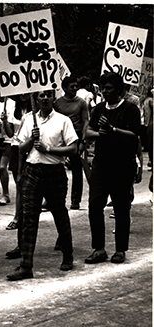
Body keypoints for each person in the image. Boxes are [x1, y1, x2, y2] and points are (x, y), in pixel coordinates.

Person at [7, 89, 78, 281]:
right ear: (35, 98)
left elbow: (73, 148)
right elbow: (20, 148)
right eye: (41, 95)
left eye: (48, 94)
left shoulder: (63, 120)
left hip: (54, 171)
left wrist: (49, 149)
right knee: (28, 217)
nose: (45, 98)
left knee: (59, 214)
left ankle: (68, 255)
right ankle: (26, 265)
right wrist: (31, 138)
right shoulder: (29, 119)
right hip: (32, 171)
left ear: (54, 97)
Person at [84, 72, 140, 265]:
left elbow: (134, 135)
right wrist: (101, 134)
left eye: (108, 88)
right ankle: (99, 248)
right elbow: (88, 131)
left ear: (119, 90)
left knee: (121, 208)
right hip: (101, 164)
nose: (105, 92)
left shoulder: (130, 109)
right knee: (94, 206)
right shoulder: (98, 109)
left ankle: (120, 250)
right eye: (103, 88)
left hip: (122, 165)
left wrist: (113, 130)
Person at [53, 76, 89, 210]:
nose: (75, 89)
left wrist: (83, 141)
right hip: (60, 138)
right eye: (72, 86)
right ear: (64, 88)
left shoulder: (81, 103)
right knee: (56, 168)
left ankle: (75, 200)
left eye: (76, 86)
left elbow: (85, 121)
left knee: (77, 170)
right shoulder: (57, 103)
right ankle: (53, 197)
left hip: (76, 137)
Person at [5, 93, 34, 231]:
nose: (23, 95)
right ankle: (17, 216)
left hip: (30, 147)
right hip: (16, 148)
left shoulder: (34, 112)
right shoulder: (13, 110)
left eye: (26, 92)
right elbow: (10, 134)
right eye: (20, 93)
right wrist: (4, 121)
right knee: (18, 183)